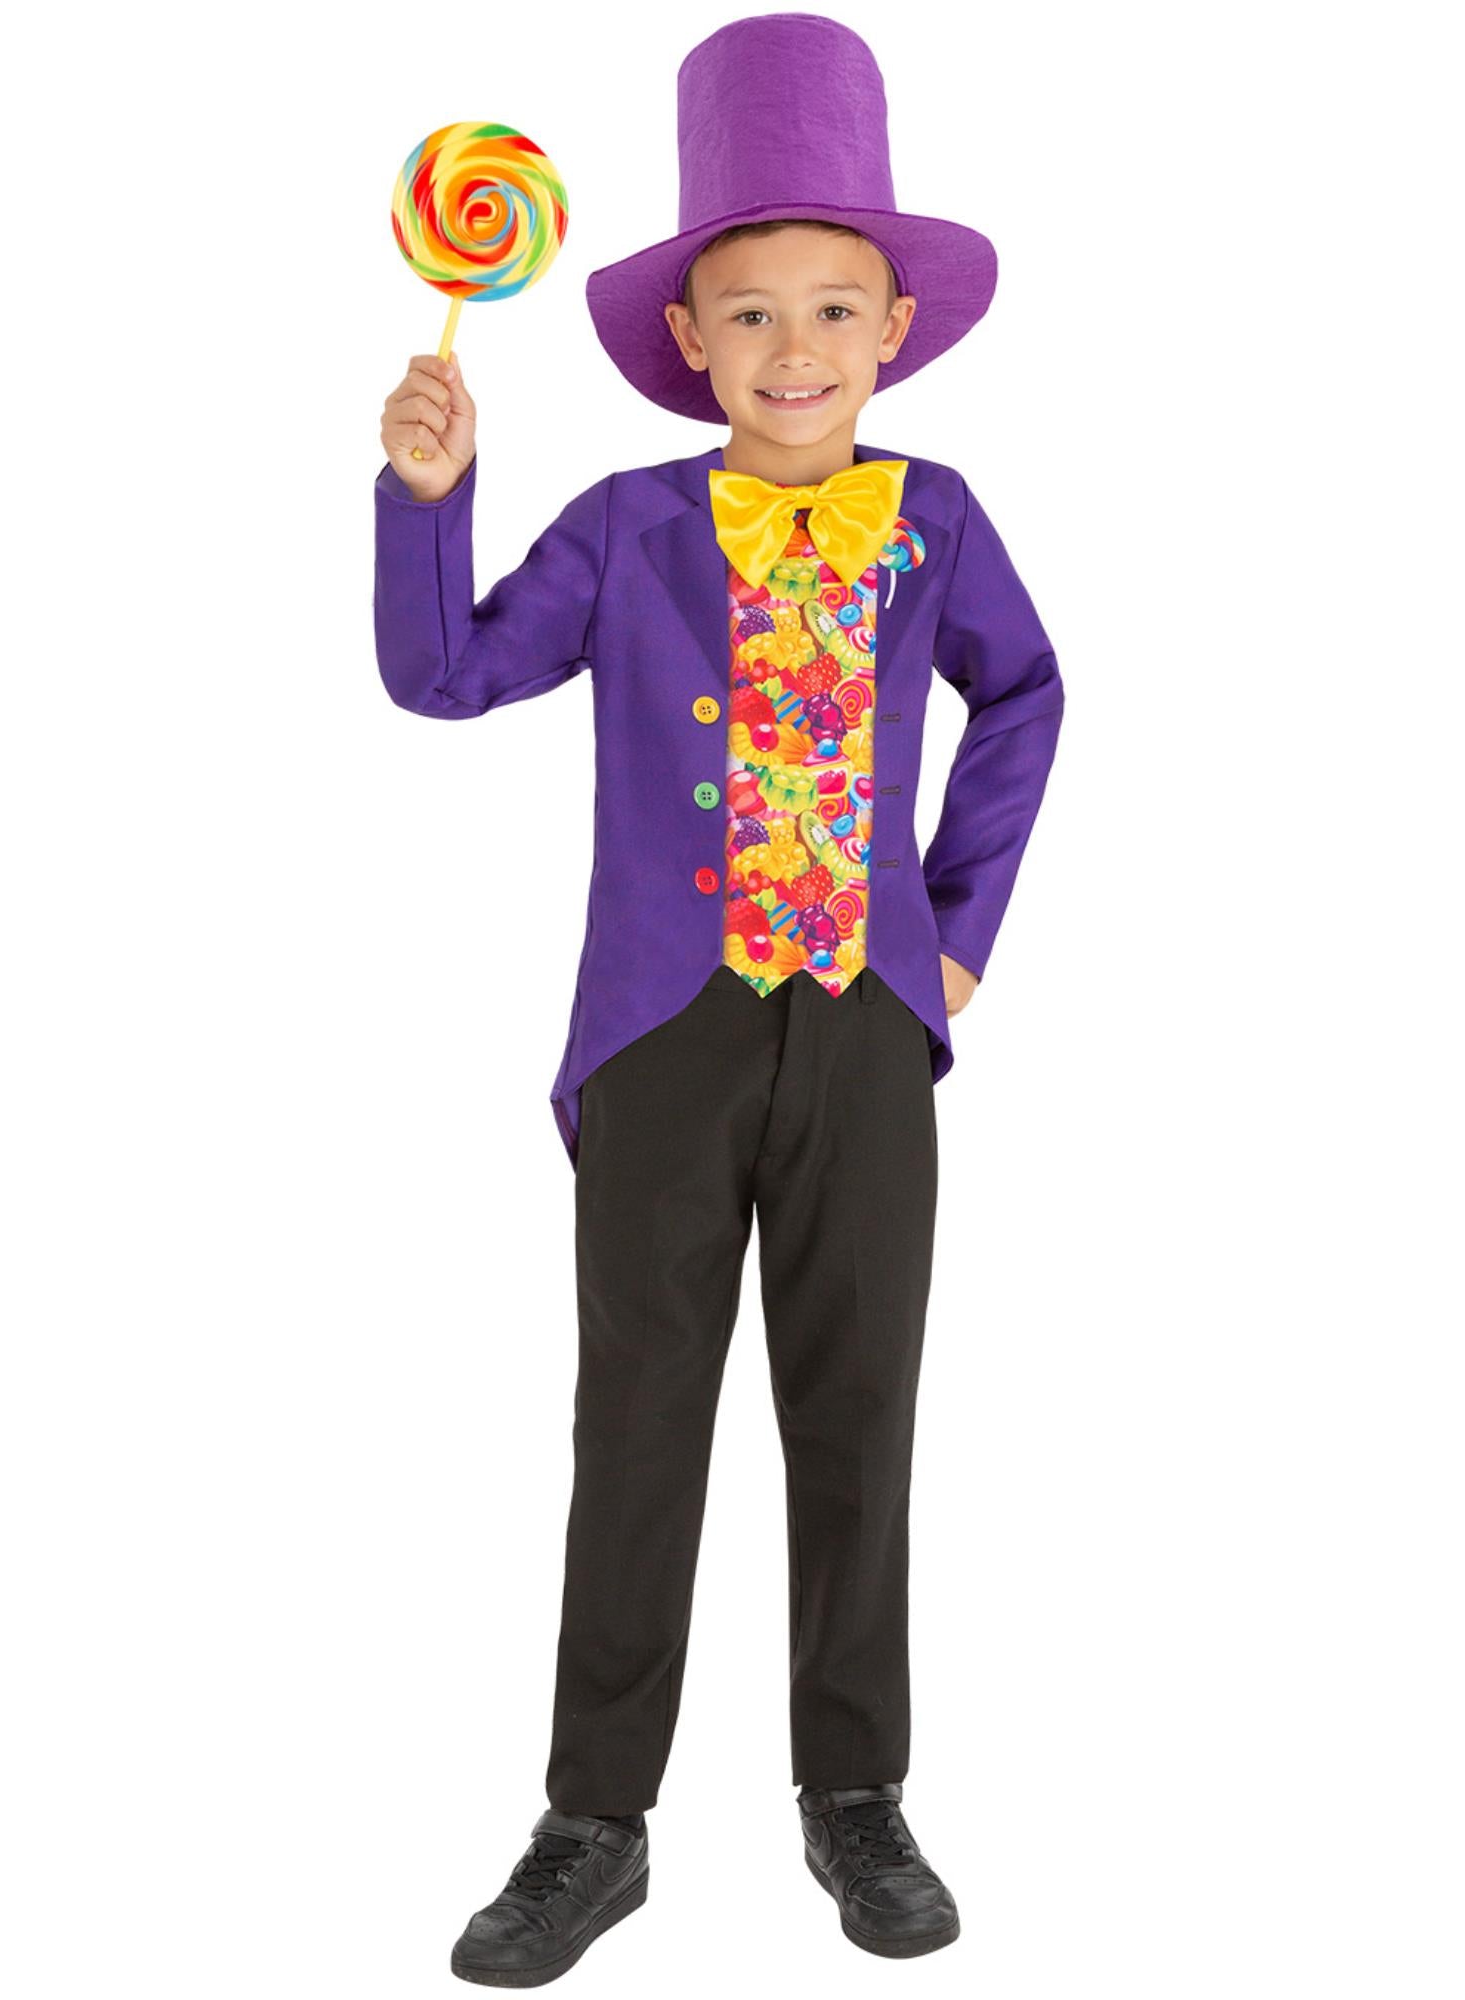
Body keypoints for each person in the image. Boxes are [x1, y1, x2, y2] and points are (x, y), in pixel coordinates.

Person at [373, 14, 1065, 1984]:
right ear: (689, 337)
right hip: (663, 1033)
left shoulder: (936, 514)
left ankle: (857, 1790)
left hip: (866, 1024)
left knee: (858, 1413)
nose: (793, 348)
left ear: (894, 329)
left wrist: (954, 934)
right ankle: (595, 1821)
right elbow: (444, 678)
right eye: (749, 313)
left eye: (833, 309)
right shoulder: (629, 525)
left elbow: (1026, 694)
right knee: (640, 1421)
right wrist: (430, 497)